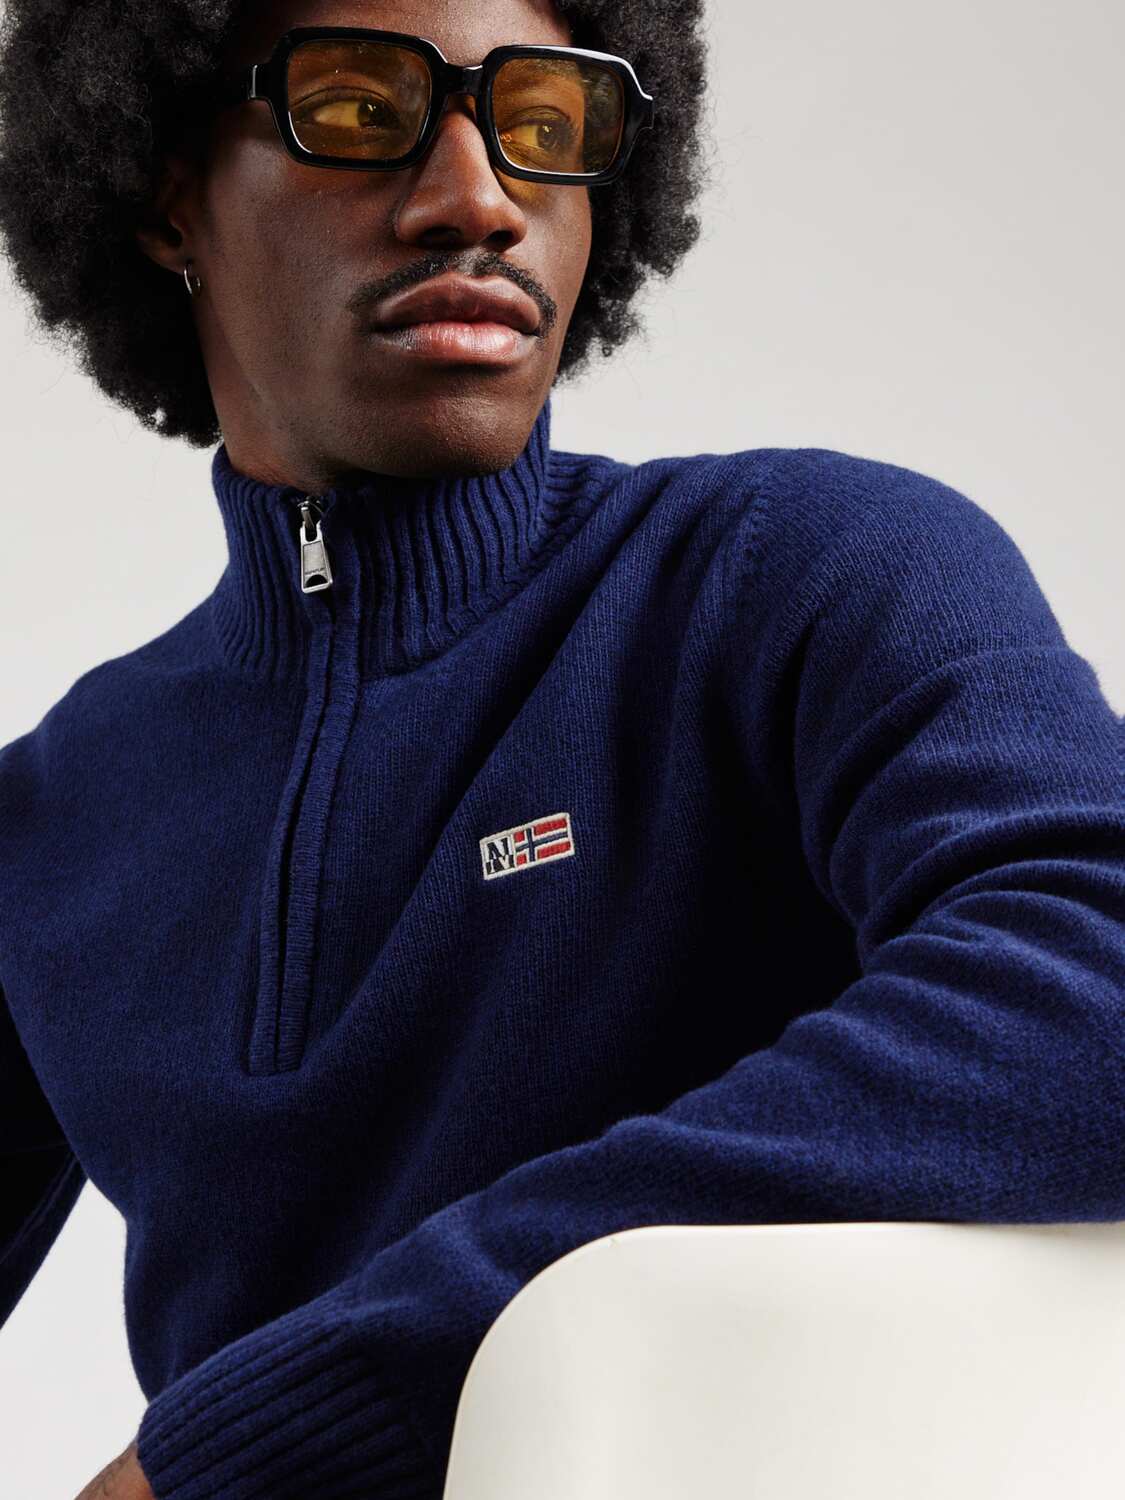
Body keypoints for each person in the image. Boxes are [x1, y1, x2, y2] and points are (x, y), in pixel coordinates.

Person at [0, 2, 1121, 1497]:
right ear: (164, 196)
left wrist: (272, 1435)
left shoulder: (798, 578)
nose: (478, 198)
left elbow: (1099, 980)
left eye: (544, 125)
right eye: (359, 110)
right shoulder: (53, 817)